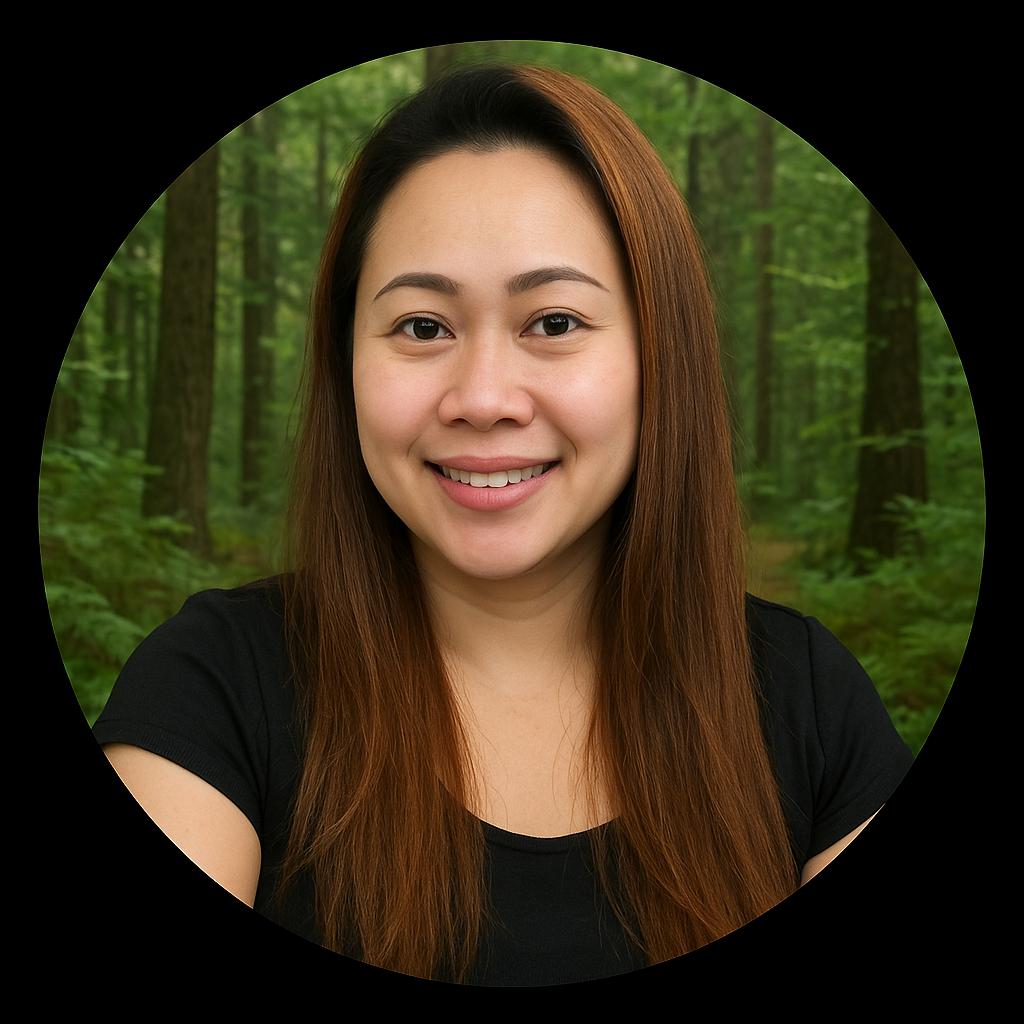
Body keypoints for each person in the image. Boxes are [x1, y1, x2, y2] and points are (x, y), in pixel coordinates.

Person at [91, 61, 916, 987]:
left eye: (554, 322)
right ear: (345, 362)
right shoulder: (211, 689)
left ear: (661, 355)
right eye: (422, 327)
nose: (483, 399)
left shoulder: (809, 705)